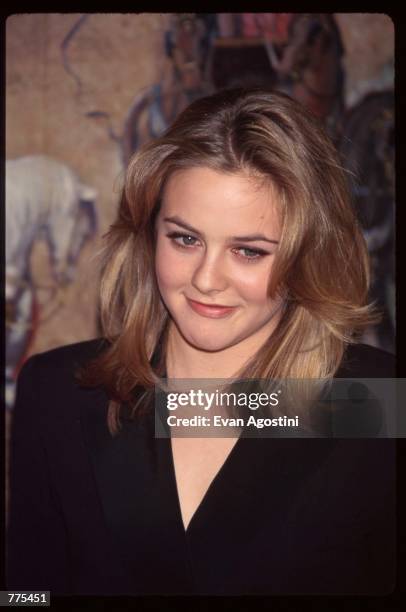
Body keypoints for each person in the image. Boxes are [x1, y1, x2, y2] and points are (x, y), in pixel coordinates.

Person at [7, 88, 396, 596]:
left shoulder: (376, 402)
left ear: (307, 255)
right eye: (185, 239)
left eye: (249, 251)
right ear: (149, 234)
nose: (207, 279)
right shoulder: (58, 390)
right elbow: (25, 590)